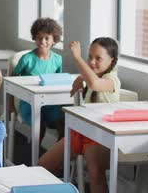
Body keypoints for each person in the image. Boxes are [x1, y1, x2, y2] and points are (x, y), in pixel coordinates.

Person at [38, 37, 121, 193]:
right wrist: (81, 77)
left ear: (111, 61)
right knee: (42, 165)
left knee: (95, 175)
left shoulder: (112, 81)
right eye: (89, 57)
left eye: (98, 58)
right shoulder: (94, 77)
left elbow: (95, 84)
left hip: (99, 136)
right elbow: (91, 80)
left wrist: (77, 58)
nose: (92, 62)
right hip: (81, 132)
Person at [13, 17, 65, 141]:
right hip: (28, 102)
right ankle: (34, 158)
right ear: (34, 38)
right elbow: (11, 82)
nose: (42, 41)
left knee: (63, 125)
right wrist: (10, 105)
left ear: (54, 40)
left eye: (47, 38)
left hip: (49, 102)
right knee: (39, 126)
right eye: (39, 37)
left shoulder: (57, 59)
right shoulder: (26, 59)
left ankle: (57, 158)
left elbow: (59, 82)